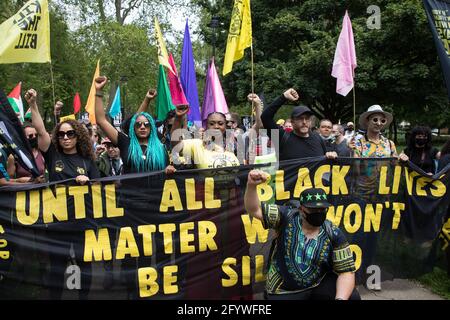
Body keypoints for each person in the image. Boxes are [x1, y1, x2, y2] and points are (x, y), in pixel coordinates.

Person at [27, 88, 100, 300]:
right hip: (57, 224)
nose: (65, 137)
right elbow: (40, 131)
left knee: (83, 267)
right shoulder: (52, 154)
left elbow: (99, 187)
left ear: (78, 136)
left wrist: (88, 182)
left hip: (81, 224)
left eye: (70, 133)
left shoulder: (88, 161)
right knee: (57, 269)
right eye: (61, 134)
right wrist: (33, 104)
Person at [244, 169, 360, 300]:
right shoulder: (286, 216)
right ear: (301, 209)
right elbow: (255, 209)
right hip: (283, 290)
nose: (318, 212)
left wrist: (340, 299)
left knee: (352, 296)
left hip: (316, 285)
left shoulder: (333, 232)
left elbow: (346, 271)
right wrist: (251, 185)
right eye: (313, 209)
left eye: (322, 209)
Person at [349, 105, 408, 291]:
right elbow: (356, 171)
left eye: (382, 120)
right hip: (360, 196)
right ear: (367, 121)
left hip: (382, 197)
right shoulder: (357, 142)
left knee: (374, 239)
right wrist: (352, 154)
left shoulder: (389, 144)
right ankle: (353, 277)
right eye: (375, 119)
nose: (379, 123)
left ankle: (370, 276)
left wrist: (402, 158)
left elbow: (394, 164)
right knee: (358, 237)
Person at [94, 76, 174, 175]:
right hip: (129, 190)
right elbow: (101, 120)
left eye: (146, 124)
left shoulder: (161, 148)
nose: (142, 127)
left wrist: (169, 169)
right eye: (138, 125)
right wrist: (98, 91)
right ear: (133, 128)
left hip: (157, 190)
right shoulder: (126, 143)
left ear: (152, 128)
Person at [260, 88, 337, 161]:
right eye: (300, 118)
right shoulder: (282, 137)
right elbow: (265, 117)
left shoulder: (317, 138)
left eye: (307, 118)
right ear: (292, 122)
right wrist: (283, 97)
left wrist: (330, 155)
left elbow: (325, 158)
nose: (304, 122)